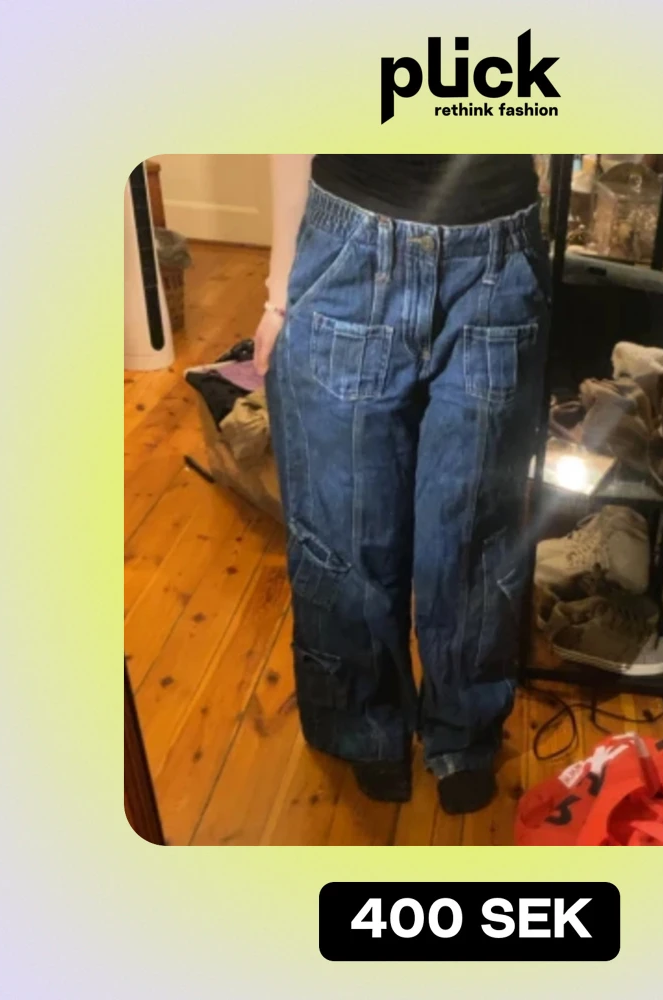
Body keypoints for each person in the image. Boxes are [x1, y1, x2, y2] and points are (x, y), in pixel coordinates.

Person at [253, 155, 549, 814]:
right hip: (349, 252)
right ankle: (364, 725)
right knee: (344, 533)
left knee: (472, 536)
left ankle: (465, 732)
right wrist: (280, 288)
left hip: (497, 258)